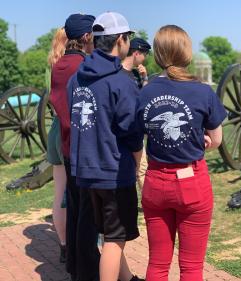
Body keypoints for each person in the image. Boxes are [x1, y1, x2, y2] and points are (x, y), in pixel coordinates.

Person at [136, 25, 227, 281]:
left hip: (155, 182)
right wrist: (202, 140)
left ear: (158, 54)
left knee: (157, 265)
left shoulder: (145, 92)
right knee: (191, 268)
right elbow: (217, 139)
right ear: (186, 52)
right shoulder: (202, 91)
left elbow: (139, 135)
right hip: (192, 182)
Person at [67, 11, 144, 281]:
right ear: (121, 40)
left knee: (110, 234)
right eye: (128, 38)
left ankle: (128, 278)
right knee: (114, 239)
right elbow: (132, 131)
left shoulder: (77, 78)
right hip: (113, 171)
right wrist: (136, 164)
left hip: (85, 171)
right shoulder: (122, 81)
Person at [49, 14, 101, 281]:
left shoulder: (60, 65)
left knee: (75, 210)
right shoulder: (83, 65)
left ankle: (73, 266)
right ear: (86, 37)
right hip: (85, 149)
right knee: (88, 218)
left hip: (67, 145)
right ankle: (87, 271)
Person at [46, 27, 68, 263]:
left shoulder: (52, 64)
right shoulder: (75, 64)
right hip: (68, 130)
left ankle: (63, 245)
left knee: (59, 194)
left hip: (54, 126)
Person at [122, 37, 151, 190]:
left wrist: (144, 77)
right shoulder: (119, 73)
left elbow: (144, 97)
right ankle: (149, 203)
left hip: (135, 130)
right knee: (142, 169)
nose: (144, 59)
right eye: (144, 54)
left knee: (141, 168)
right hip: (126, 130)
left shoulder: (135, 74)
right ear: (137, 53)